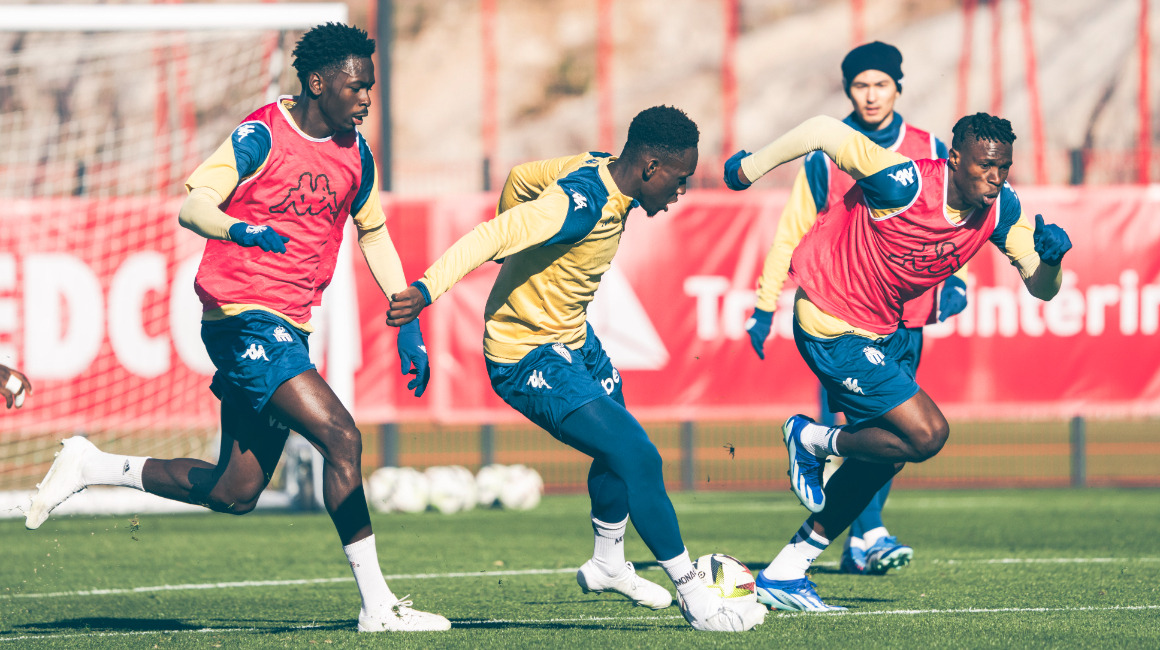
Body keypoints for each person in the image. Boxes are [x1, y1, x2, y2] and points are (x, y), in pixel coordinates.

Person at [24, 23, 449, 633]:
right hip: (241, 317)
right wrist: (240, 229)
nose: (365, 99)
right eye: (356, 87)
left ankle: (92, 466)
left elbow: (373, 231)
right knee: (342, 437)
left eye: (370, 88)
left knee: (235, 491)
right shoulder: (263, 134)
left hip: (289, 325)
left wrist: (405, 314)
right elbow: (195, 203)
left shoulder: (357, 153)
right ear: (318, 82)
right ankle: (378, 607)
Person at [386, 106, 766, 632]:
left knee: (619, 450)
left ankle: (608, 563)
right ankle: (695, 597)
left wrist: (521, 254)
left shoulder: (595, 165)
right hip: (525, 354)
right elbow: (490, 236)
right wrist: (423, 293)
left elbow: (520, 177)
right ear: (651, 167)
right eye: (680, 179)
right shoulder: (576, 205)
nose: (681, 192)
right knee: (639, 455)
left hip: (574, 339)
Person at [723, 111, 1071, 611]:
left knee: (889, 453)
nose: (995, 178)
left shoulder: (999, 210)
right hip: (828, 317)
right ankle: (811, 439)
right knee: (929, 434)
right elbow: (822, 130)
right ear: (955, 160)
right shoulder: (903, 182)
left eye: (1004, 167)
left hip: (878, 331)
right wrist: (747, 169)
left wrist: (1053, 262)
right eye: (985, 166)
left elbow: (1041, 288)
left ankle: (786, 572)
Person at [743, 42, 969, 577]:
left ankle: (857, 539)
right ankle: (866, 534)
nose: (871, 95)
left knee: (895, 438)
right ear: (848, 90)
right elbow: (791, 231)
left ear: (898, 89)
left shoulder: (931, 147)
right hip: (846, 315)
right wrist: (764, 303)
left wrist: (954, 280)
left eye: (880, 84)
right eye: (861, 85)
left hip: (909, 317)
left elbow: (952, 222)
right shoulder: (826, 155)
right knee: (873, 429)